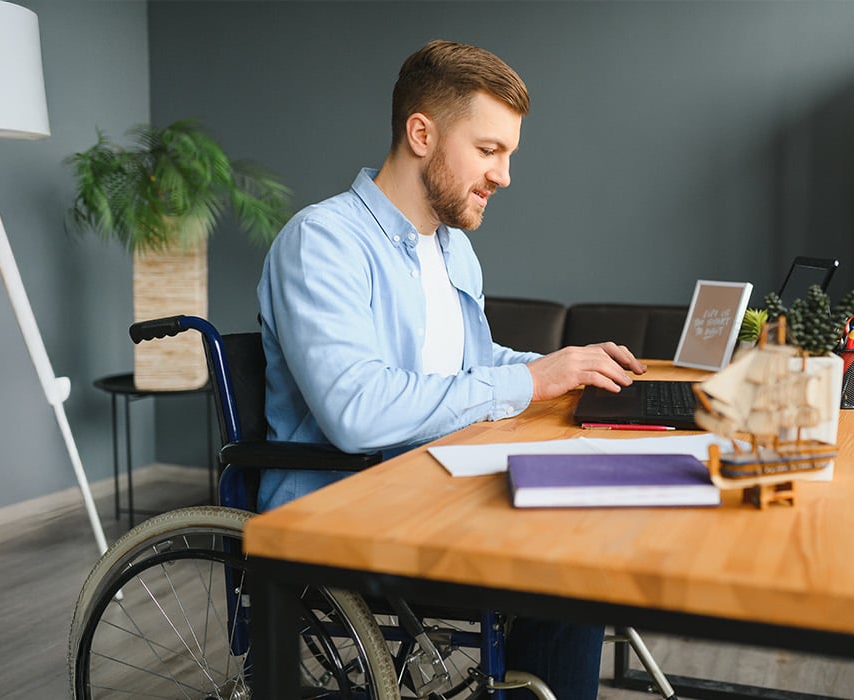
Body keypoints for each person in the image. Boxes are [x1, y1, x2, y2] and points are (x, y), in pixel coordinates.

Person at [255, 39, 646, 700]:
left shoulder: (453, 250)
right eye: (489, 150)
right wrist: (527, 383)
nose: (504, 176)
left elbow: (477, 364)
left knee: (590, 523)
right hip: (346, 507)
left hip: (433, 481)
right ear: (420, 133)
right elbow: (358, 413)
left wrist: (566, 368)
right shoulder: (322, 241)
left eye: (509, 155)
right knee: (569, 564)